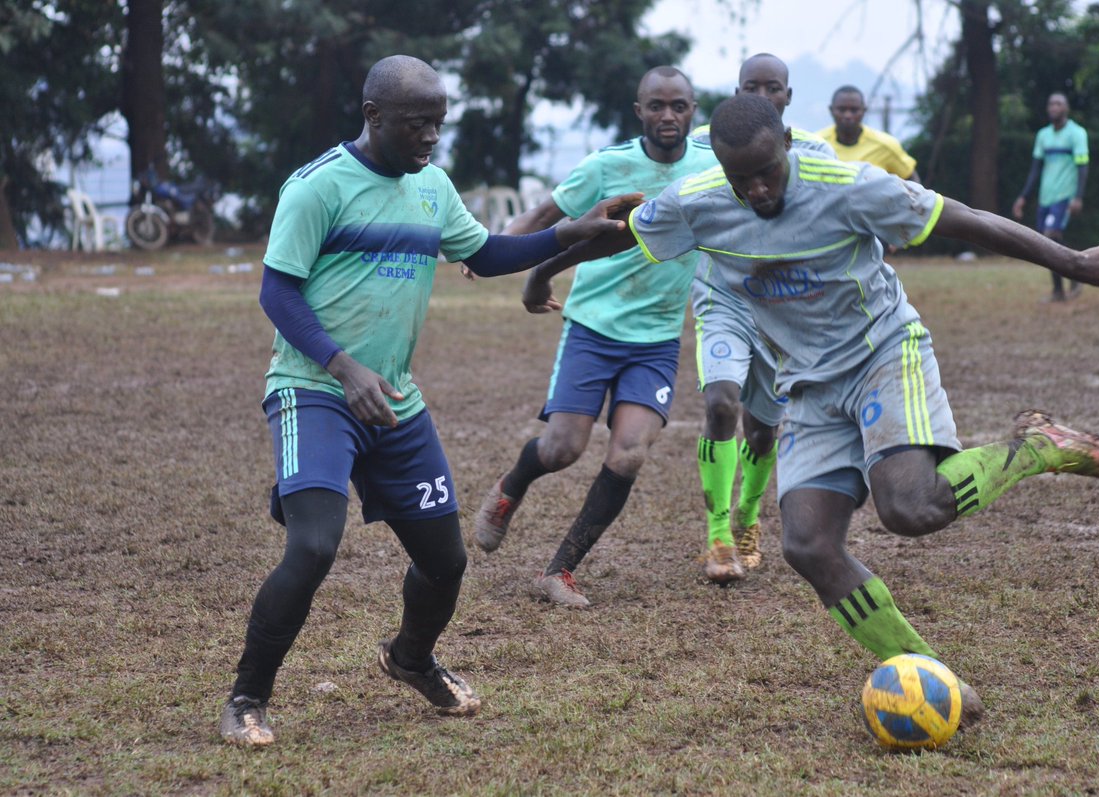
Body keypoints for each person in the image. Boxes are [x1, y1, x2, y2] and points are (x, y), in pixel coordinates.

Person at [526, 92, 1099, 719]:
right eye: (741, 179)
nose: (757, 190)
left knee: (911, 507)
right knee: (809, 546)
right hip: (808, 383)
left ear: (788, 142)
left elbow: (966, 220)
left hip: (881, 354)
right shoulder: (700, 200)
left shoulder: (848, 186)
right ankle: (936, 682)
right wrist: (545, 270)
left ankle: (1034, 447)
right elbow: (622, 234)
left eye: (767, 171)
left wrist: (1071, 261)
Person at [218, 54, 640, 746]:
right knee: (315, 545)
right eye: (418, 124)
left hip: (396, 400)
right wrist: (343, 366)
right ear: (373, 116)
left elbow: (482, 253)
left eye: (439, 125)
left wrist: (569, 232)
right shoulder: (317, 188)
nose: (431, 138)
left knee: (446, 560)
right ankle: (246, 697)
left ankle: (411, 658)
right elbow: (276, 291)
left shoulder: (432, 187)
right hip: (315, 388)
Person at [472, 66, 718, 608]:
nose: (668, 115)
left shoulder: (711, 168)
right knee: (562, 449)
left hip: (656, 338)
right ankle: (512, 486)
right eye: (657, 105)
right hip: (592, 326)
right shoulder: (607, 165)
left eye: (679, 105)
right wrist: (489, 251)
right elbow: (545, 212)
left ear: (693, 110)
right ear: (639, 111)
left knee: (629, 454)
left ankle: (559, 571)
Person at [689, 53, 836, 584]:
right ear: (735, 91)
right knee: (721, 404)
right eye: (750, 86)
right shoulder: (703, 146)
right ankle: (719, 536)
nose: (761, 95)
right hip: (721, 298)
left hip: (780, 309)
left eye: (771, 87)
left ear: (788, 98)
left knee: (764, 428)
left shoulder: (814, 152)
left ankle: (749, 518)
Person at [1012, 92, 1090, 302]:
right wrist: (1023, 197)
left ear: (1066, 108)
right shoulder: (1043, 136)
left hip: (1065, 196)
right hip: (1046, 197)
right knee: (1047, 243)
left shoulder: (1077, 134)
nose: (1054, 107)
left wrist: (1078, 197)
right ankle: (1070, 278)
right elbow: (1035, 170)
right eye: (1051, 103)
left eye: (1058, 103)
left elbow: (1083, 167)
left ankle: (1064, 285)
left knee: (1050, 237)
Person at [819, 85, 920, 182]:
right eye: (842, 109)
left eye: (854, 110)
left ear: (864, 110)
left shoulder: (885, 145)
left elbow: (911, 179)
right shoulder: (817, 144)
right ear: (831, 110)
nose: (848, 115)